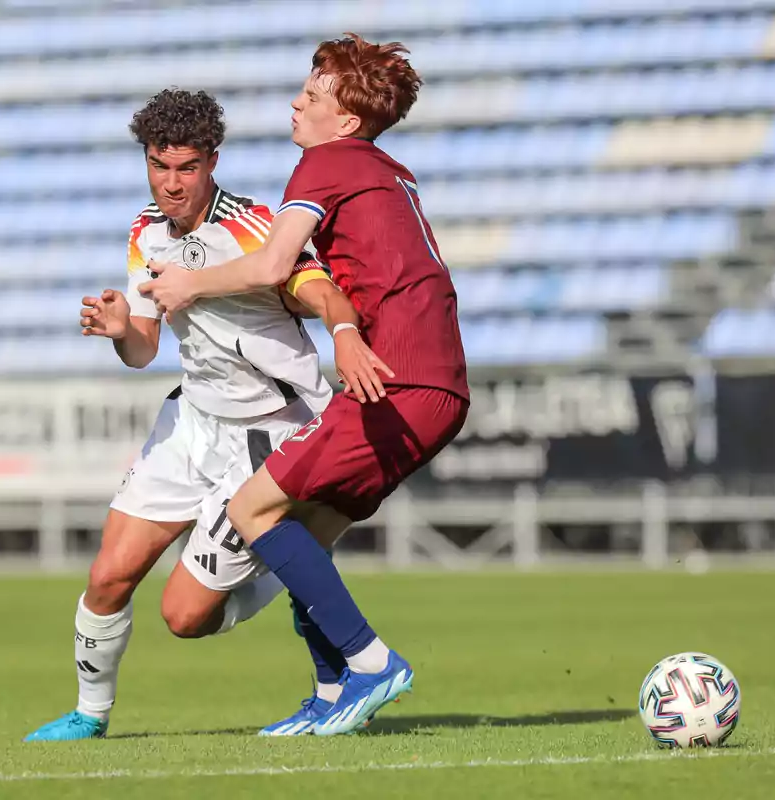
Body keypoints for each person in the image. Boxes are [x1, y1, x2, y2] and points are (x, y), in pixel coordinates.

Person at [24, 89, 387, 742]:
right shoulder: (145, 231)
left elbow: (318, 288)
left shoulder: (253, 227)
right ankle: (90, 713)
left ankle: (290, 559)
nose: (172, 183)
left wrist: (345, 332)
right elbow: (143, 348)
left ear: (212, 162)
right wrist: (117, 330)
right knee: (108, 575)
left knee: (184, 618)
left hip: (268, 435)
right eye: (159, 166)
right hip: (191, 424)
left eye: (186, 168)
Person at [140, 34, 470, 736]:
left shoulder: (326, 161)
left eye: (313, 95)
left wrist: (190, 283)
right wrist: (349, 332)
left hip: (398, 380)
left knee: (254, 511)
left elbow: (271, 266)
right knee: (301, 536)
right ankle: (329, 695)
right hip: (430, 383)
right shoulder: (386, 167)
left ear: (345, 120)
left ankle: (371, 662)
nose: (297, 102)